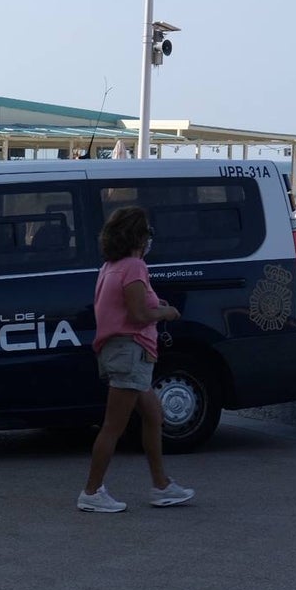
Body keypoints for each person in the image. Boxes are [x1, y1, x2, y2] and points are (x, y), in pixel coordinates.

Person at [78, 206, 194, 513]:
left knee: (153, 416)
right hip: (130, 351)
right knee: (113, 426)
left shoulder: (110, 267)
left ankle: (161, 485)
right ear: (138, 236)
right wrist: (167, 312)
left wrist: (156, 305)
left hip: (122, 351)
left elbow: (126, 305)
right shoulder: (134, 266)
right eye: (147, 232)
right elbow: (139, 314)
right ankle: (91, 491)